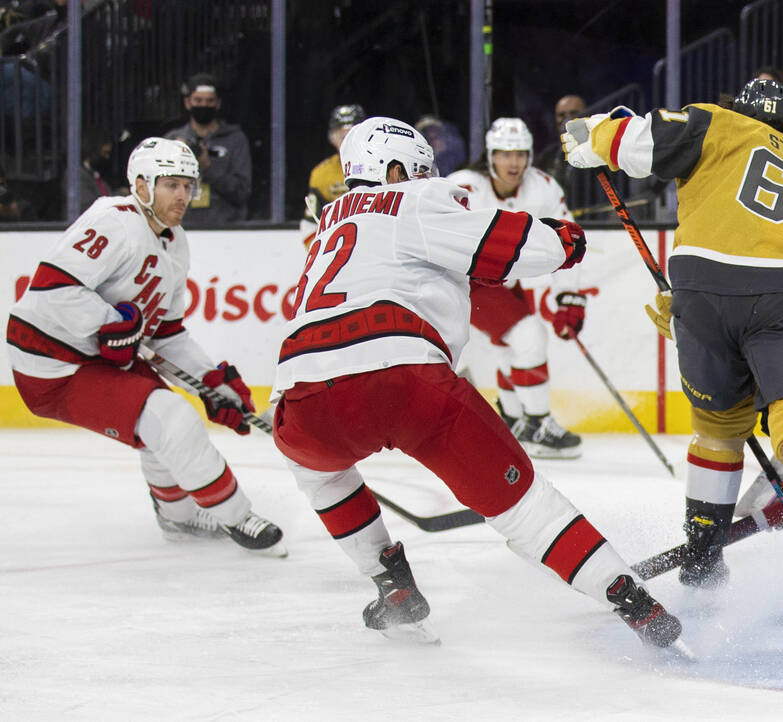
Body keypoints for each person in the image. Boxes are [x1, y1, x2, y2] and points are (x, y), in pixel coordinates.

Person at [269, 117, 683, 649]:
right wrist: (567, 242)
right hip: (407, 376)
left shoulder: (327, 222)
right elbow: (506, 242)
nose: (423, 177)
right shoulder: (414, 200)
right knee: (525, 506)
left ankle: (392, 587)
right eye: (417, 170)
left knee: (316, 472)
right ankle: (628, 596)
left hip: (302, 389)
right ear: (394, 170)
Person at [563, 79, 783, 589]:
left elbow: (638, 137)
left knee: (718, 426)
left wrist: (592, 136)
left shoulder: (716, 122)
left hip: (704, 286)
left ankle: (703, 553)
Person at [4, 137, 285, 556]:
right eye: (171, 184)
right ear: (140, 185)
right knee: (171, 418)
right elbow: (53, 289)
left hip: (92, 355)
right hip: (50, 361)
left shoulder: (176, 242)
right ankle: (236, 516)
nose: (183, 196)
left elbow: (166, 334)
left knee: (162, 422)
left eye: (188, 186)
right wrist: (109, 324)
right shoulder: (113, 220)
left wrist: (212, 383)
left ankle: (178, 516)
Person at [447, 117, 585, 460]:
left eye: (521, 154)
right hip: (462, 281)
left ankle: (513, 418)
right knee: (529, 338)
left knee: (511, 348)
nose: (513, 162)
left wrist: (569, 298)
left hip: (505, 279)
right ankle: (538, 425)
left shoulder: (543, 187)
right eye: (505, 154)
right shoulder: (462, 187)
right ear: (490, 155)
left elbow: (566, 241)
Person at [165, 72, 252, 226]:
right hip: (183, 227)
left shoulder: (235, 139)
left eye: (209, 101)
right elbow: (162, 190)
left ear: (218, 103)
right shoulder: (173, 140)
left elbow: (242, 192)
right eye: (198, 100)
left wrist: (208, 167)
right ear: (187, 103)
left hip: (228, 228)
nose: (204, 106)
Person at [300, 104, 364, 250]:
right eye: (341, 135)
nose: (346, 141)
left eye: (352, 134)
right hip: (337, 250)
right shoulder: (321, 174)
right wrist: (326, 254)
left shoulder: (383, 167)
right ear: (332, 137)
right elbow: (310, 224)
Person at [534, 94, 589, 210]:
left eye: (573, 113)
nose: (567, 119)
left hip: (597, 223)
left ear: (587, 116)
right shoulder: (548, 155)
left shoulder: (603, 153)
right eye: (561, 115)